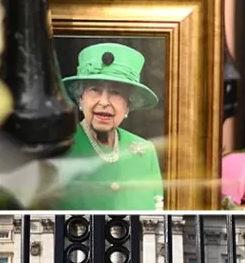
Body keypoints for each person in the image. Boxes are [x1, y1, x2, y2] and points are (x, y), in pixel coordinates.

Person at [55, 42, 164, 211]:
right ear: (80, 98)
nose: (104, 102)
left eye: (116, 92)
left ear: (128, 104)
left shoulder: (145, 151)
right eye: (94, 90)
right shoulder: (60, 148)